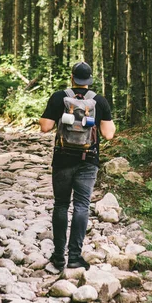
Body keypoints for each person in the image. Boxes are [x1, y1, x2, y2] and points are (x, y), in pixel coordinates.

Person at [39, 61, 115, 271]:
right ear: (89, 81)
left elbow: (45, 127)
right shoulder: (99, 101)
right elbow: (108, 134)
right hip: (88, 160)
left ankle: (57, 257)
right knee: (81, 206)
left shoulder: (59, 97)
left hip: (63, 159)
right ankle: (74, 257)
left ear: (72, 78)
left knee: (61, 204)